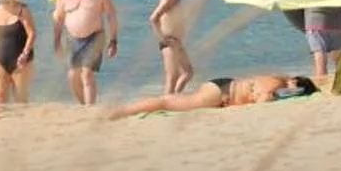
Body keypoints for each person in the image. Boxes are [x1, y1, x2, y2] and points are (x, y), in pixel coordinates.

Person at [52, 0, 120, 106]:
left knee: (86, 73)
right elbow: (58, 18)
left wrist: (113, 40)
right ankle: (84, 105)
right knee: (72, 76)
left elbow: (111, 14)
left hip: (94, 37)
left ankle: (90, 108)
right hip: (72, 38)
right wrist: (56, 41)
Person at [108, 75, 317, 116]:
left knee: (173, 101)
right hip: (222, 92)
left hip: (224, 88)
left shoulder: (275, 78)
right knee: (167, 102)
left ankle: (125, 109)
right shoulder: (277, 84)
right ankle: (123, 111)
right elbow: (261, 100)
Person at [149, 0, 192, 96]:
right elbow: (153, 18)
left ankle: (174, 98)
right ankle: (166, 104)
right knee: (172, 76)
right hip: (169, 42)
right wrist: (163, 39)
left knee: (188, 72)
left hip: (177, 42)